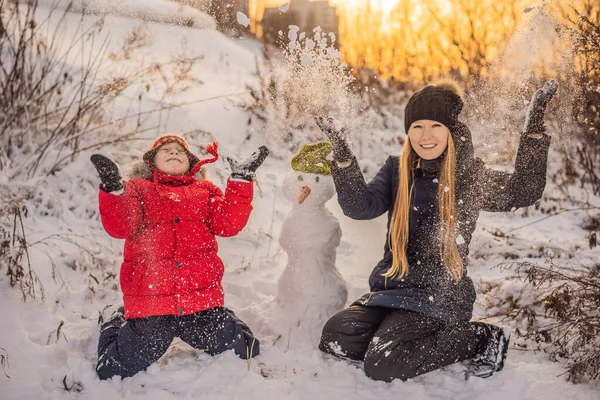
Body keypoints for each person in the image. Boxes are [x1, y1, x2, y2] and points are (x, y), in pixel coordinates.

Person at [316, 79, 558, 381]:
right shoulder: (397, 169)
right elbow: (359, 207)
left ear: (451, 131)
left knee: (383, 363)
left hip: (438, 296)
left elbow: (524, 190)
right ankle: (399, 334)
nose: (425, 135)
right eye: (417, 126)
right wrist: (342, 156)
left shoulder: (468, 176)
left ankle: (482, 338)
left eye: (435, 126)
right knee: (337, 336)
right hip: (392, 288)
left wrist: (533, 129)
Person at [90, 134, 269, 380]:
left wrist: (240, 179)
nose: (174, 152)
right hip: (153, 304)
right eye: (166, 150)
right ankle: (114, 319)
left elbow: (228, 223)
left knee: (247, 349)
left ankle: (224, 316)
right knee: (112, 370)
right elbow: (121, 226)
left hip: (199, 302)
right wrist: (113, 190)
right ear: (151, 161)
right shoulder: (138, 189)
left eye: (180, 151)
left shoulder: (204, 190)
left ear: (192, 163)